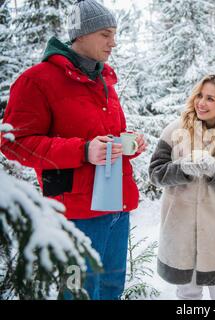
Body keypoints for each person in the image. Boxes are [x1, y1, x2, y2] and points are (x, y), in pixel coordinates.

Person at [0, 0, 147, 300]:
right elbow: (13, 143)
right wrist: (82, 151)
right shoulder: (37, 80)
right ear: (82, 34)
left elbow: (102, 137)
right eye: (106, 34)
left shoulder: (104, 79)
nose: (113, 42)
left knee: (110, 289)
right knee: (76, 292)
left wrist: (127, 144)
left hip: (116, 207)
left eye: (115, 34)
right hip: (75, 214)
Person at [149, 74, 215, 300]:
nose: (201, 103)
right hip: (180, 233)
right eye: (200, 95)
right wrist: (182, 169)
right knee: (187, 295)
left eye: (210, 98)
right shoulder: (174, 130)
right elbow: (155, 173)